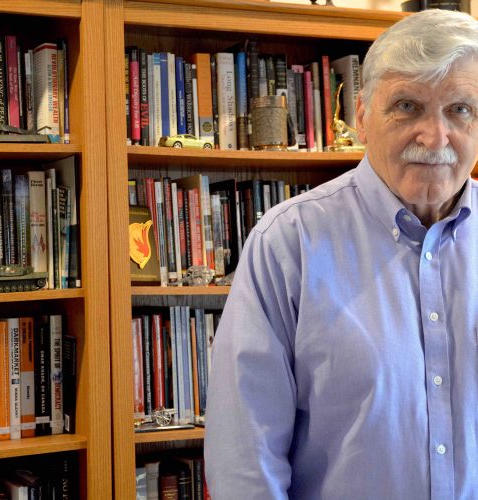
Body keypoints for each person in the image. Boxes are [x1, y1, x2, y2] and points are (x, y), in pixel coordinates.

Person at [204, 9, 478, 500]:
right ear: (363, 116)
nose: (435, 137)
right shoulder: (289, 242)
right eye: (408, 106)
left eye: (460, 109)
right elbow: (245, 458)